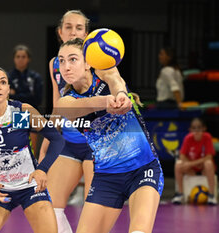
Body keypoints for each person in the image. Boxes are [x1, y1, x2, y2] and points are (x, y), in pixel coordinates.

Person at [55, 38, 164, 233]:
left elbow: (116, 81)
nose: (66, 67)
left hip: (142, 169)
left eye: (72, 59)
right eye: (61, 61)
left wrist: (121, 94)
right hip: (106, 177)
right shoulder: (66, 101)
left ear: (88, 62)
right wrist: (106, 101)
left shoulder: (105, 72)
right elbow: (77, 108)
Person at [39, 10, 132, 233]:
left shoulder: (101, 60)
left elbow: (118, 86)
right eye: (69, 27)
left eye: (79, 28)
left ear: (87, 33)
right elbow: (57, 104)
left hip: (99, 146)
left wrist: (120, 98)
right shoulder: (56, 65)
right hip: (69, 143)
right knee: (48, 206)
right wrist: (49, 137)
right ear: (60, 32)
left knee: (95, 215)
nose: (74, 31)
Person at [0, 66, 65, 233]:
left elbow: (56, 139)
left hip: (30, 187)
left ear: (8, 89)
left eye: (3, 82)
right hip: (1, 188)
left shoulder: (19, 113)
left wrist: (42, 169)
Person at [172, 117, 217, 205]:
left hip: (203, 167)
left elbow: (208, 157)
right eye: (194, 128)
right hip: (191, 169)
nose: (196, 130)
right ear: (190, 129)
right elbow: (182, 156)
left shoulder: (207, 137)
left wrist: (192, 163)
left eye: (199, 127)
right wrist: (190, 165)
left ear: (204, 128)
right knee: (178, 164)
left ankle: (212, 196)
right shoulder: (188, 138)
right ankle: (180, 194)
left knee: (208, 163)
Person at [8, 44, 43, 155]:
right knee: (18, 151)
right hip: (16, 113)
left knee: (31, 151)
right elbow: (7, 98)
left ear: (28, 59)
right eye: (18, 56)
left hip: (32, 112)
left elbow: (37, 99)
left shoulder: (35, 77)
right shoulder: (8, 77)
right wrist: (27, 95)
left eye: (23, 56)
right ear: (14, 59)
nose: (20, 59)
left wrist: (15, 94)